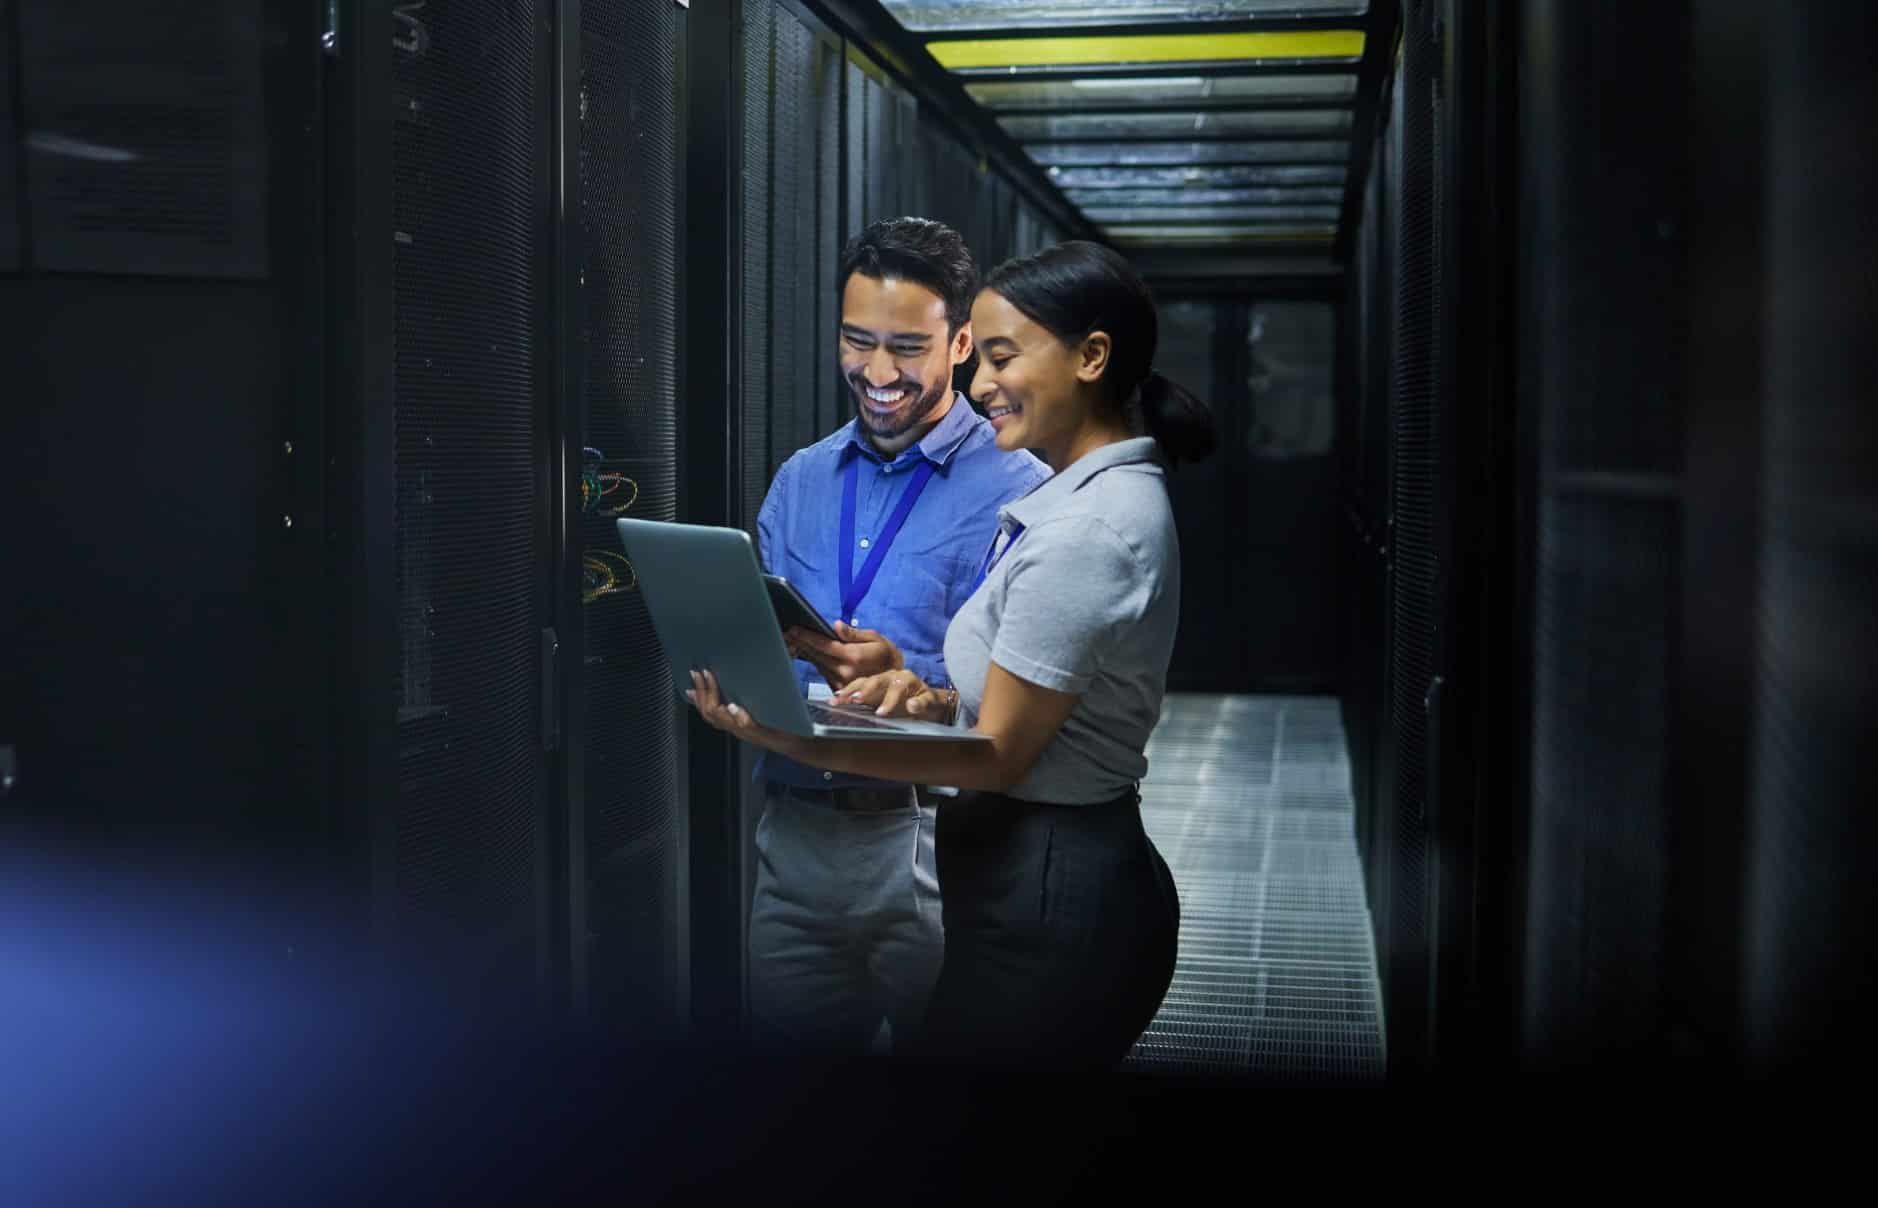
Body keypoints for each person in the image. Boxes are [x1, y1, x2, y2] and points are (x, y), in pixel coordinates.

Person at [689, 240, 1217, 1069]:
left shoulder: (1071, 518)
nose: (981, 386)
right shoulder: (1071, 501)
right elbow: (1003, 692)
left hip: (1000, 855)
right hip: (939, 851)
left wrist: (782, 733)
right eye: (858, 340)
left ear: (1090, 357)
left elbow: (1001, 754)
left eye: (1000, 356)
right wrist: (912, 682)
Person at [745, 217, 1051, 1056]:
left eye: (907, 349)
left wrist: (909, 678)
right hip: (794, 835)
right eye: (857, 341)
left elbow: (1021, 710)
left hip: (934, 843)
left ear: (960, 346)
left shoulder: (1023, 490)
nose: (877, 373)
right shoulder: (800, 480)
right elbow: (761, 648)